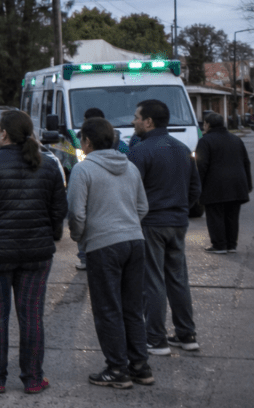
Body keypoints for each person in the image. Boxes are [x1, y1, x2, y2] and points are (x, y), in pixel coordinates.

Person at [0, 110, 68, 395]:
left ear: (4, 133)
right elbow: (59, 211)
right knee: (32, 316)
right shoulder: (47, 166)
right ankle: (34, 378)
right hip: (36, 256)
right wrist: (51, 236)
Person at [67, 117, 152, 388]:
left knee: (107, 309)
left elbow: (76, 213)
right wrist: (127, 226)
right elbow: (143, 208)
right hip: (135, 243)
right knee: (132, 308)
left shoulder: (84, 170)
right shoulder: (130, 167)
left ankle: (117, 369)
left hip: (103, 246)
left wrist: (81, 238)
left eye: (82, 140)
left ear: (87, 142)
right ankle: (140, 365)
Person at [128, 99, 202, 355]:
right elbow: (195, 189)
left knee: (153, 281)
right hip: (178, 223)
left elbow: (131, 192)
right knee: (178, 278)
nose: (133, 121)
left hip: (152, 224)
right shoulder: (182, 149)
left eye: (137, 117)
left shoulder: (139, 151)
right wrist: (180, 208)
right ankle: (186, 335)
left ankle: (156, 339)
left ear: (148, 121)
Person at [74, 108, 130, 272]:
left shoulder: (82, 161)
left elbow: (76, 212)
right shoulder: (118, 141)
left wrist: (76, 235)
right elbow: (142, 206)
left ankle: (84, 257)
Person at [195, 112, 251, 254]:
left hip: (215, 186)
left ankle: (219, 245)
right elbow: (246, 163)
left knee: (215, 215)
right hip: (237, 185)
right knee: (232, 216)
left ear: (207, 125)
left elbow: (201, 165)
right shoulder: (236, 139)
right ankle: (231, 245)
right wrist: (248, 184)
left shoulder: (205, 141)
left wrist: (197, 186)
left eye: (205, 124)